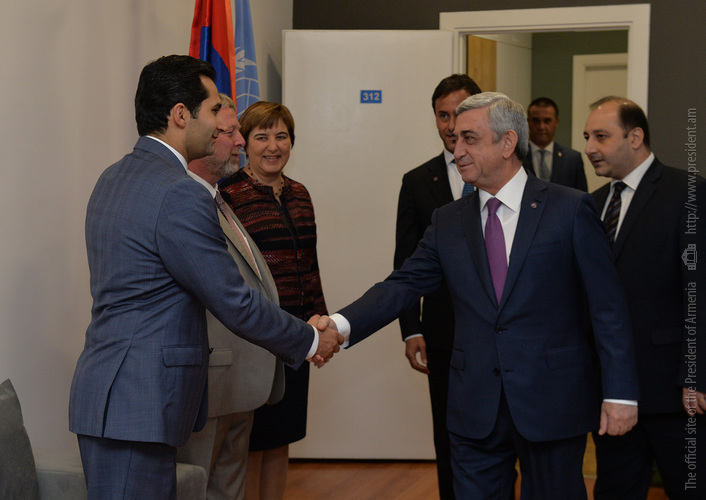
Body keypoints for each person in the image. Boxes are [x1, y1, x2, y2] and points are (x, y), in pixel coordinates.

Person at [326, 92, 639, 499]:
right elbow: (401, 285)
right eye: (455, 138)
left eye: (469, 139)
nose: (456, 149)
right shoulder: (448, 220)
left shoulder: (569, 208)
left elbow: (608, 309)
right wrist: (338, 325)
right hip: (474, 406)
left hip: (551, 402)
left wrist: (620, 392)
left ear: (507, 142)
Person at [68, 55, 342, 500]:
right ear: (181, 114)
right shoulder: (179, 191)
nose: (221, 126)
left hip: (110, 394)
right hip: (141, 401)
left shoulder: (113, 176)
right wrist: (310, 340)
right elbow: (234, 300)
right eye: (214, 110)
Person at [585, 96, 704, 499]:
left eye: (601, 136)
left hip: (675, 394)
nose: (589, 147)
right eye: (587, 137)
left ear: (635, 137)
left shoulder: (687, 192)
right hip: (611, 391)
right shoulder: (592, 205)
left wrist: (696, 375)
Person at [176, 94, 284, 500]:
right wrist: (305, 340)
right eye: (231, 132)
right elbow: (224, 296)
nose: (241, 141)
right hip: (208, 383)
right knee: (198, 487)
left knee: (228, 490)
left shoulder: (217, 197)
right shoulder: (185, 201)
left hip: (240, 380)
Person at [219, 101, 327, 500]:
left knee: (282, 437)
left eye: (281, 136)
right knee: (249, 442)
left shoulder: (300, 194)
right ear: (245, 142)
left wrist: (321, 323)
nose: (273, 146)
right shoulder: (228, 195)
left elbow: (309, 265)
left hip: (297, 335)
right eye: (262, 137)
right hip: (255, 337)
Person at [394, 73, 481, 500]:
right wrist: (411, 329)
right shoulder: (417, 181)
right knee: (448, 436)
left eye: (458, 114)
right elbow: (405, 262)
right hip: (443, 333)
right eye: (442, 116)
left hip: (502, 335)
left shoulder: (510, 174)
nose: (450, 125)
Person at [522, 97, 587, 191]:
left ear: (556, 122)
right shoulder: (517, 156)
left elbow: (582, 196)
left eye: (547, 121)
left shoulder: (572, 159)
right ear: (528, 122)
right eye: (536, 120)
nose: (541, 127)